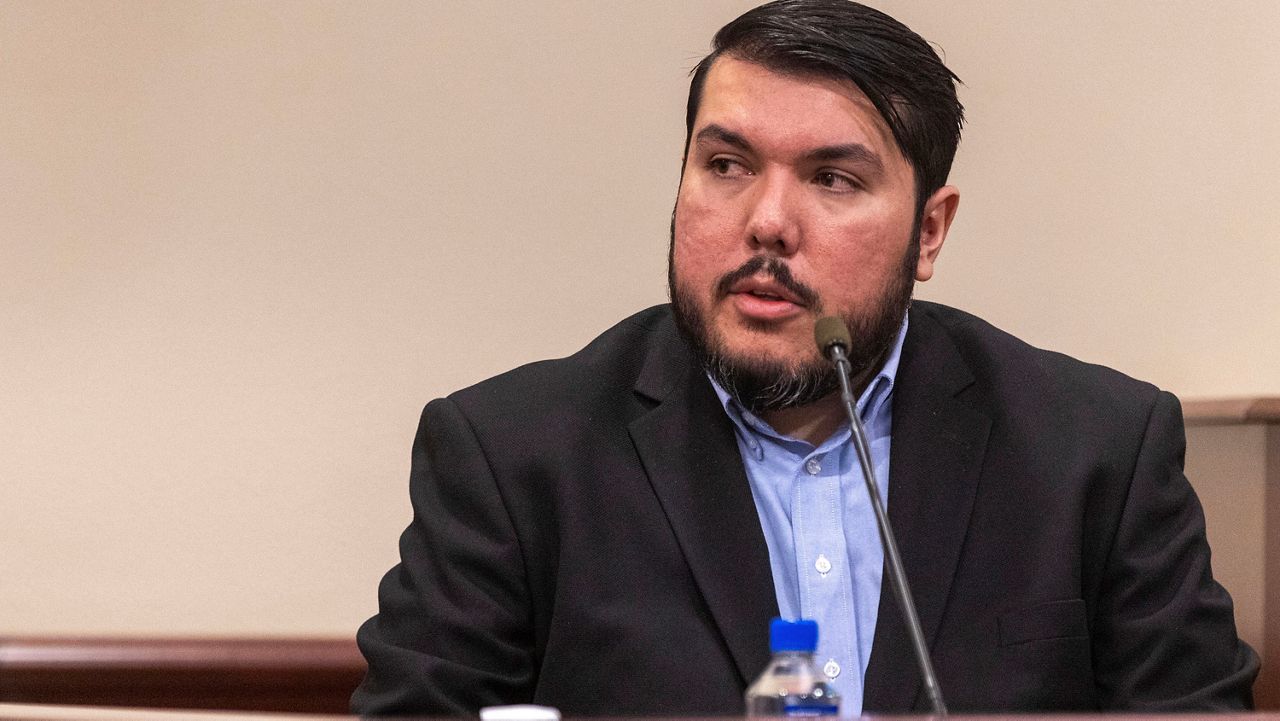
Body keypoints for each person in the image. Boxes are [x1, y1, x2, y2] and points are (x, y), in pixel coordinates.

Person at [351, 0, 1259, 715]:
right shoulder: (513, 457)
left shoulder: (1096, 451)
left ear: (929, 232)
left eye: (832, 178)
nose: (768, 221)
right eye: (727, 165)